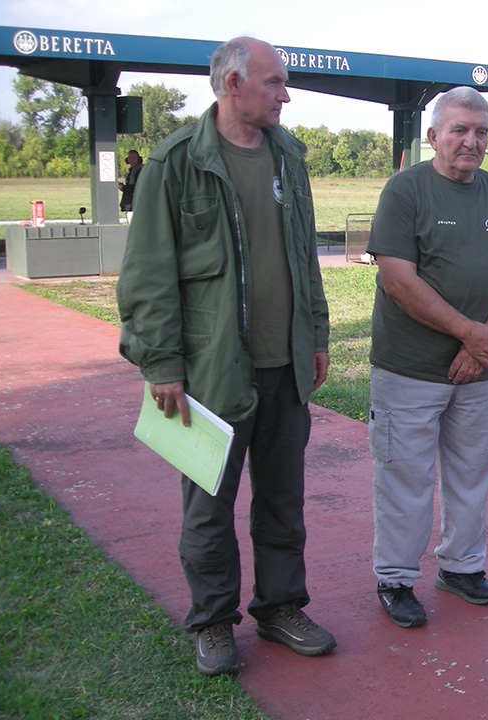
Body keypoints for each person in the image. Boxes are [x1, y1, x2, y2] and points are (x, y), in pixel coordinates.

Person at [116, 36, 336, 675]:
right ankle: (212, 622)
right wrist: (161, 364)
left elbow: (304, 258)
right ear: (233, 84)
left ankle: (280, 608)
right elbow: (148, 274)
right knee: (208, 506)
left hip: (285, 366)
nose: (286, 94)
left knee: (282, 501)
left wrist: (316, 335)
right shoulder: (175, 162)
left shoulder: (289, 156)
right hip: (211, 373)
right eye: (275, 83)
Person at [366, 86, 488, 629]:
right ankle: (395, 578)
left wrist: (486, 342)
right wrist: (471, 335)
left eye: (480, 131)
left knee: (472, 471)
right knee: (404, 475)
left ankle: (461, 566)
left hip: (478, 372)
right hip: (409, 369)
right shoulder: (405, 191)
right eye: (459, 129)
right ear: (432, 135)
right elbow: (397, 281)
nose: (471, 141)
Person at [118, 150, 143, 223]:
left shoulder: (139, 170)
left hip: (136, 204)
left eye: (133, 158)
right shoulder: (133, 170)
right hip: (132, 204)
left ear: (138, 159)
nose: (131, 160)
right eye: (129, 158)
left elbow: (136, 187)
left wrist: (123, 188)